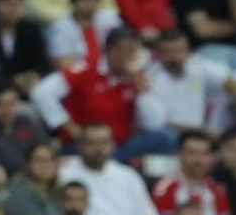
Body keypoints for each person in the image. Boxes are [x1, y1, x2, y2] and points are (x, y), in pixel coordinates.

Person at [30, 26, 172, 160]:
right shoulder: (86, 69)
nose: (127, 56)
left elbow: (154, 123)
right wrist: (72, 129)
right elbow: (42, 93)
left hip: (121, 146)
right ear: (108, 51)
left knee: (165, 137)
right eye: (122, 50)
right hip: (84, 146)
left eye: (132, 51)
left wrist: (139, 85)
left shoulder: (138, 77)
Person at [58, 122, 159, 215]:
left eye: (104, 143)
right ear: (80, 145)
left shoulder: (128, 175)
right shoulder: (64, 175)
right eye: (92, 143)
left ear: (112, 145)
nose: (98, 148)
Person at [45, 0, 120, 71]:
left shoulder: (110, 20)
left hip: (109, 71)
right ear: (74, 2)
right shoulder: (61, 28)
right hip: (78, 74)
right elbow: (64, 64)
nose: (89, 4)